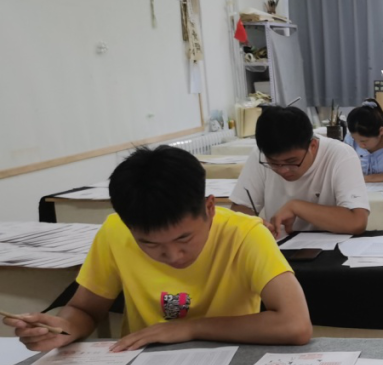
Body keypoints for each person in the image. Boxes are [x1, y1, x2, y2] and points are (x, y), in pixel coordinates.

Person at [2, 146, 312, 353]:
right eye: (149, 244)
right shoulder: (115, 232)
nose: (173, 256)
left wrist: (189, 329)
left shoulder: (245, 234)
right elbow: (86, 310)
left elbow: (295, 325)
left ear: (209, 208)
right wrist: (64, 327)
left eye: (184, 239)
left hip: (230, 360)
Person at [230, 106, 370, 237]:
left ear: (312, 146)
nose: (283, 170)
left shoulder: (340, 155)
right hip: (279, 244)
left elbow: (357, 221)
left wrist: (296, 207)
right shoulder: (259, 155)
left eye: (292, 162)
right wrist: (254, 225)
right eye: (273, 163)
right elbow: (239, 207)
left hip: (330, 248)